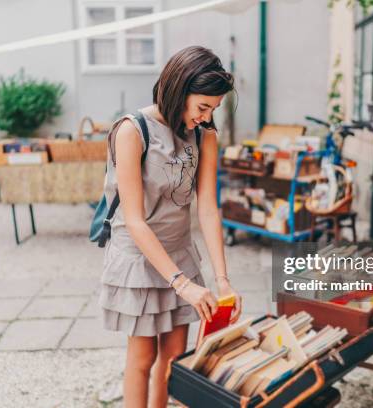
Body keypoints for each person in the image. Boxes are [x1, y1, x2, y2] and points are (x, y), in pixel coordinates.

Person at [99, 45, 242, 408]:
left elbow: (207, 208)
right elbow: (134, 220)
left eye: (213, 109)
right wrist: (181, 285)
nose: (207, 117)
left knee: (175, 358)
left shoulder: (204, 134)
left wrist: (222, 281)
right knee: (143, 358)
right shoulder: (133, 130)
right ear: (180, 90)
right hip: (140, 257)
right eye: (202, 107)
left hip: (179, 251)